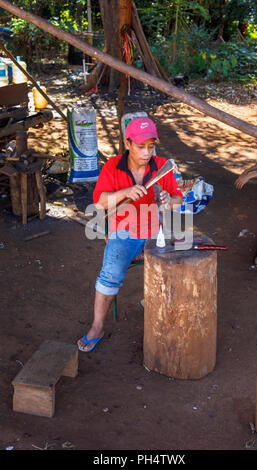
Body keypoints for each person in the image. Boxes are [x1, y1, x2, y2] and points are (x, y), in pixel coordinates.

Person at [77, 117, 183, 352]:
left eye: (151, 147)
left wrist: (168, 200)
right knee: (110, 274)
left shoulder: (162, 166)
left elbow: (177, 199)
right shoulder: (113, 166)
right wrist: (125, 192)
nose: (147, 153)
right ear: (127, 143)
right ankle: (97, 326)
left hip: (156, 232)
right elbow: (100, 201)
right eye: (141, 146)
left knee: (175, 268)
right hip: (124, 232)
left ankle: (157, 303)